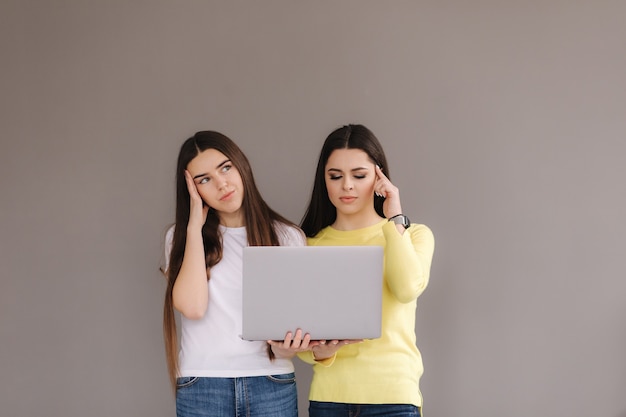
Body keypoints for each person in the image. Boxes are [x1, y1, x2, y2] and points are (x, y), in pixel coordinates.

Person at [162, 131, 313, 417]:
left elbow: (292, 325)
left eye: (226, 168)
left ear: (241, 165)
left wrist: (287, 349)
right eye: (204, 179)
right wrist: (193, 228)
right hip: (202, 385)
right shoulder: (181, 237)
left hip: (270, 382)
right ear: (192, 191)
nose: (222, 184)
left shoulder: (287, 236)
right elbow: (192, 307)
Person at [299, 124, 435, 417]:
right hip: (329, 398)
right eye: (335, 176)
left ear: (379, 177)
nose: (346, 185)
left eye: (359, 176)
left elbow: (406, 288)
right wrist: (319, 354)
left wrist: (395, 217)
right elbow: (297, 334)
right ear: (323, 180)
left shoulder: (413, 235)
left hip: (393, 397)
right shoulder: (306, 245)